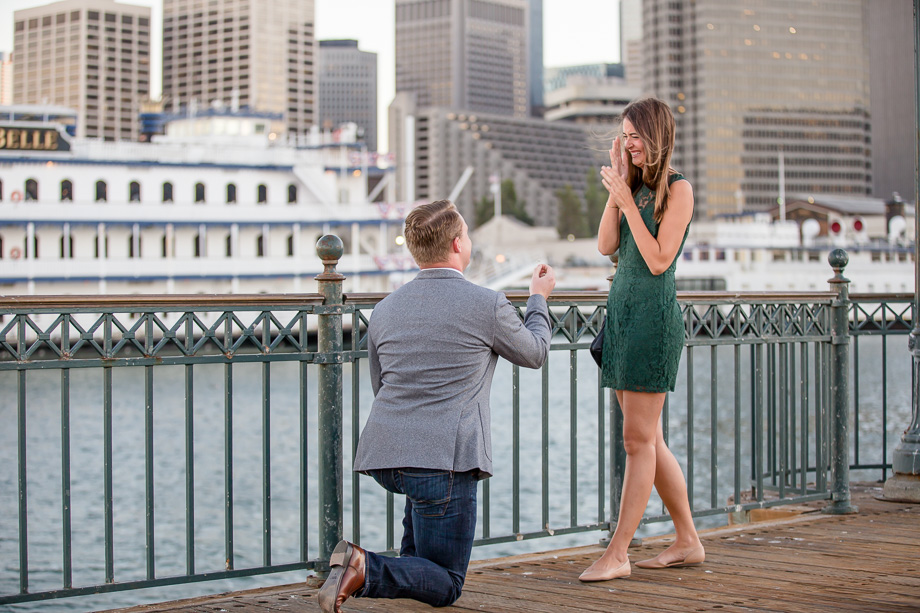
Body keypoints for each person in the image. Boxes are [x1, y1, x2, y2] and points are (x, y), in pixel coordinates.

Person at [318, 199, 556, 612]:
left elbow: (380, 384)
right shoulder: (487, 304)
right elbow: (534, 352)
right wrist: (538, 299)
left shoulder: (385, 309)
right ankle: (364, 567)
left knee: (418, 561)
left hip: (387, 454)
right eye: (467, 234)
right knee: (446, 582)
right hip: (444, 460)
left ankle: (365, 570)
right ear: (457, 244)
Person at [579, 97, 703, 582]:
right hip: (623, 319)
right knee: (650, 438)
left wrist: (628, 201)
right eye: (625, 136)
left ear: (656, 137)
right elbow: (606, 245)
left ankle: (618, 553)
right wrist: (618, 188)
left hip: (653, 322)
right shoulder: (631, 186)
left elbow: (657, 260)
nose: (628, 144)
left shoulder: (679, 190)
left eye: (635, 137)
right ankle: (688, 541)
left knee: (636, 440)